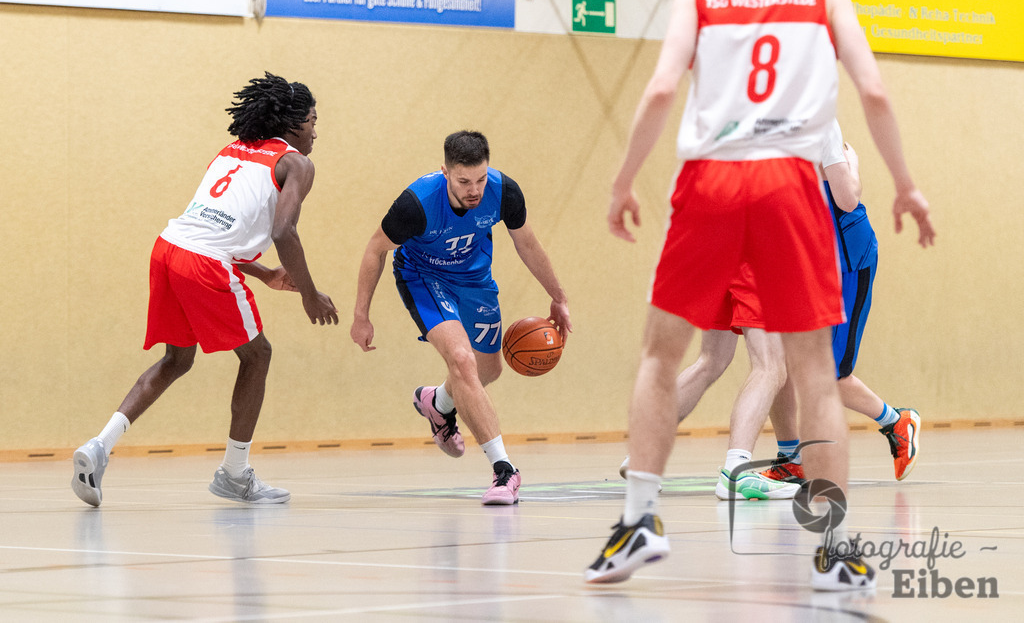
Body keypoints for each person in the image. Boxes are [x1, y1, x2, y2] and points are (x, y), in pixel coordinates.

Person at [584, 0, 934, 590]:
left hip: (710, 180)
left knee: (662, 356)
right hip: (790, 187)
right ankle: (834, 550)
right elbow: (876, 91)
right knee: (816, 378)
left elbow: (663, 86)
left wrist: (622, 180)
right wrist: (907, 184)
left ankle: (637, 524)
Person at [71, 72, 339, 508]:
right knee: (258, 355)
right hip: (203, 262)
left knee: (177, 359)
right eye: (312, 119)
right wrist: (309, 293)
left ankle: (99, 447)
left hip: (169, 249)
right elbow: (284, 231)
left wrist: (265, 274)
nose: (316, 130)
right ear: (292, 123)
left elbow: (212, 230)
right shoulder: (295, 163)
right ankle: (235, 473)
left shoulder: (232, 151)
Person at [350, 130, 571, 506]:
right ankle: (505, 471)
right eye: (464, 181)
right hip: (424, 277)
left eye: (481, 179)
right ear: (445, 172)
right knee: (462, 360)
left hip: (475, 280)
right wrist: (361, 316)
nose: (475, 189)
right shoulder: (415, 205)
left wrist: (558, 296)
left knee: (487, 372)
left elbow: (527, 243)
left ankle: (438, 403)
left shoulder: (504, 192)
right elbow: (375, 250)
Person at [761, 122, 920, 485]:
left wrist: (853, 168)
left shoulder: (819, 121)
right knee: (777, 363)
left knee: (830, 375)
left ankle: (896, 422)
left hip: (848, 258)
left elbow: (847, 199)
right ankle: (791, 457)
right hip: (806, 258)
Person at [618, 266, 799, 502]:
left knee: (711, 360)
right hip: (754, 258)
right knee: (770, 366)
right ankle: (737, 471)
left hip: (719, 262)